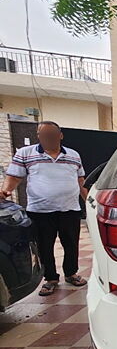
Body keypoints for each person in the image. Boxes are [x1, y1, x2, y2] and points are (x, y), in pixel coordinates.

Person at [1, 121, 88, 296]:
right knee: (44, 246)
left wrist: (90, 201)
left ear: (60, 135)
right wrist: (6, 191)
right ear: (39, 136)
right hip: (40, 210)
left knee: (71, 244)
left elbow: (80, 181)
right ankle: (50, 279)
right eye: (44, 134)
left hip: (69, 209)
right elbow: (14, 177)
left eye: (52, 134)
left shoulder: (73, 155)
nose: (49, 137)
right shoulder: (26, 154)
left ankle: (71, 273)